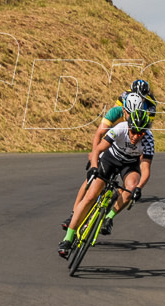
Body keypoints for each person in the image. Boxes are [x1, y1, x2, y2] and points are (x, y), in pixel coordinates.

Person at [58, 107, 155, 258]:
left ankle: (109, 217)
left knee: (131, 187)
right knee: (91, 196)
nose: (136, 136)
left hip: (129, 164)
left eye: (140, 133)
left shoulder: (148, 140)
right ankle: (68, 238)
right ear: (129, 126)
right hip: (111, 158)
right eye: (133, 131)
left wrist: (139, 188)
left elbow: (146, 169)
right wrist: (94, 167)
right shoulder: (120, 128)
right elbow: (97, 150)